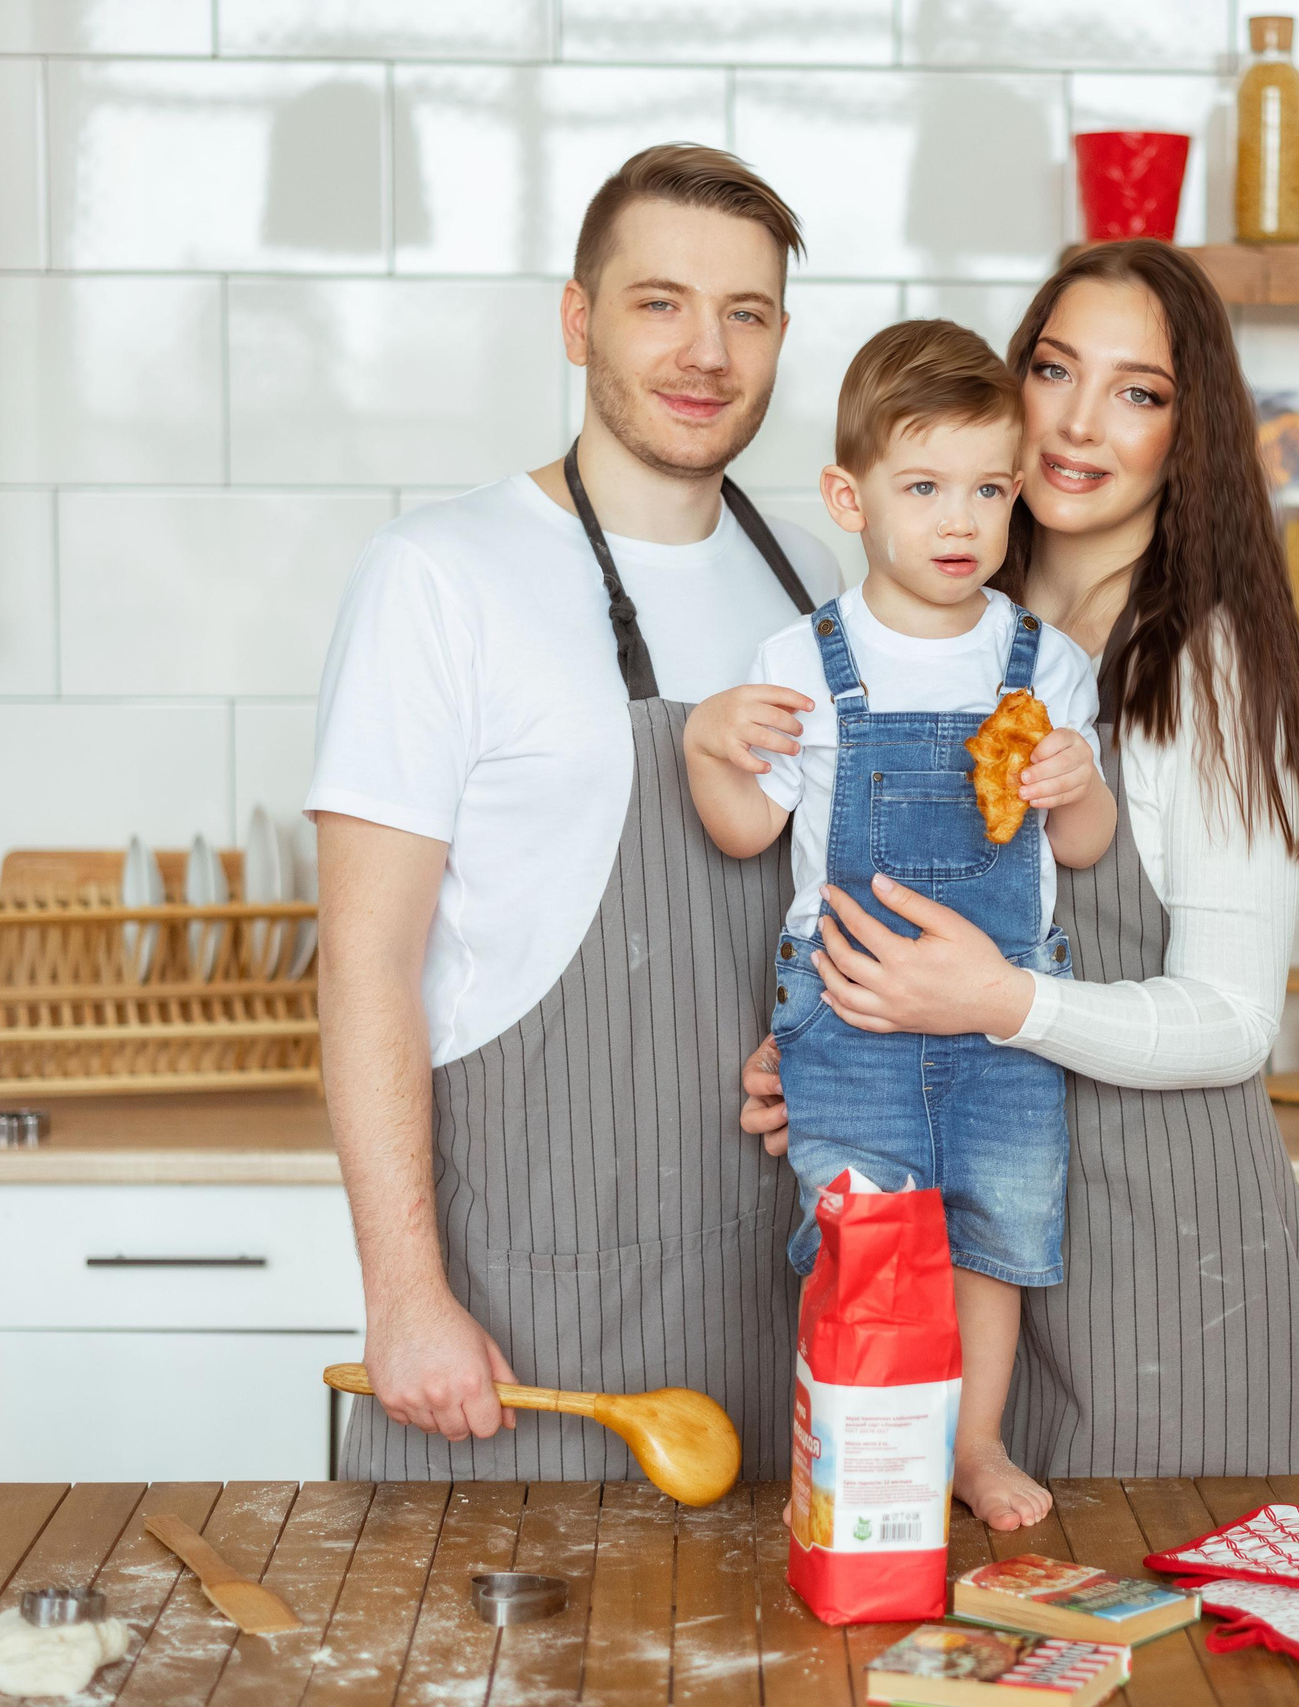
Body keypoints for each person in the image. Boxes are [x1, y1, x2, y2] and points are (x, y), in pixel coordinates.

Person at [743, 239, 1299, 1477]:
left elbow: (1235, 1021)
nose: (1080, 424)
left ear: (1187, 436)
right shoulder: (963, 639)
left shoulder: (1206, 664)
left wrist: (994, 1001)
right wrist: (834, 1037)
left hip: (1176, 1278)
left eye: (1139, 392)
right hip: (993, 1275)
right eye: (1054, 369)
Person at [307, 144, 842, 1479]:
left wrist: (832, 1051)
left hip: (769, 1290)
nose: (705, 350)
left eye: (748, 312)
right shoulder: (439, 573)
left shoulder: (817, 585)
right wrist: (405, 1294)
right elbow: (366, 962)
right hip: (515, 1316)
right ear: (577, 318)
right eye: (660, 300)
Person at [683, 319, 1115, 1529]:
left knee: (993, 1238)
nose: (959, 521)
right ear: (850, 496)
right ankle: (860, 1446)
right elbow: (743, 833)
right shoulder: (803, 660)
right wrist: (707, 747)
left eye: (987, 489)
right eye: (922, 488)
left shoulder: (1045, 666)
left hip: (1003, 1027)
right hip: (851, 1016)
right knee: (865, 1240)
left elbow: (1080, 847)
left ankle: (973, 1447)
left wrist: (1079, 787)